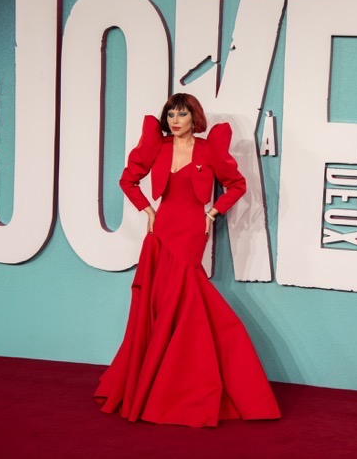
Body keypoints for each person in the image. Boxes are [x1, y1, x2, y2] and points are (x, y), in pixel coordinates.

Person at [94, 93, 281, 427]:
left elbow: (236, 185)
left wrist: (213, 212)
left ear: (194, 117)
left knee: (184, 298)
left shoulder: (209, 150)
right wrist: (148, 210)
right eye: (170, 115)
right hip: (162, 228)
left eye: (181, 114)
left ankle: (187, 382)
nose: (175, 120)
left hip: (192, 230)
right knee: (159, 301)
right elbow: (128, 179)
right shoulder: (159, 147)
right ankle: (160, 380)